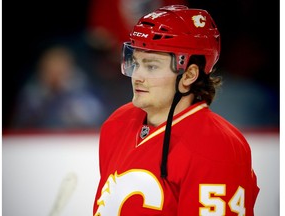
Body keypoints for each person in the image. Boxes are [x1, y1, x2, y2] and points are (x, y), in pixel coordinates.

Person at [93, 5, 259, 216]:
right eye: (136, 62)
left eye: (151, 66)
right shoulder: (118, 122)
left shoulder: (217, 146)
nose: (138, 76)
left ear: (189, 75)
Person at [10, 45, 108, 129]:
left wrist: (66, 94)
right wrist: (47, 94)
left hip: (75, 144)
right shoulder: (33, 93)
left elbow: (95, 119)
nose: (56, 75)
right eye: (51, 70)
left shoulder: (83, 90)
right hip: (39, 143)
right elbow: (21, 123)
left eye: (60, 71)